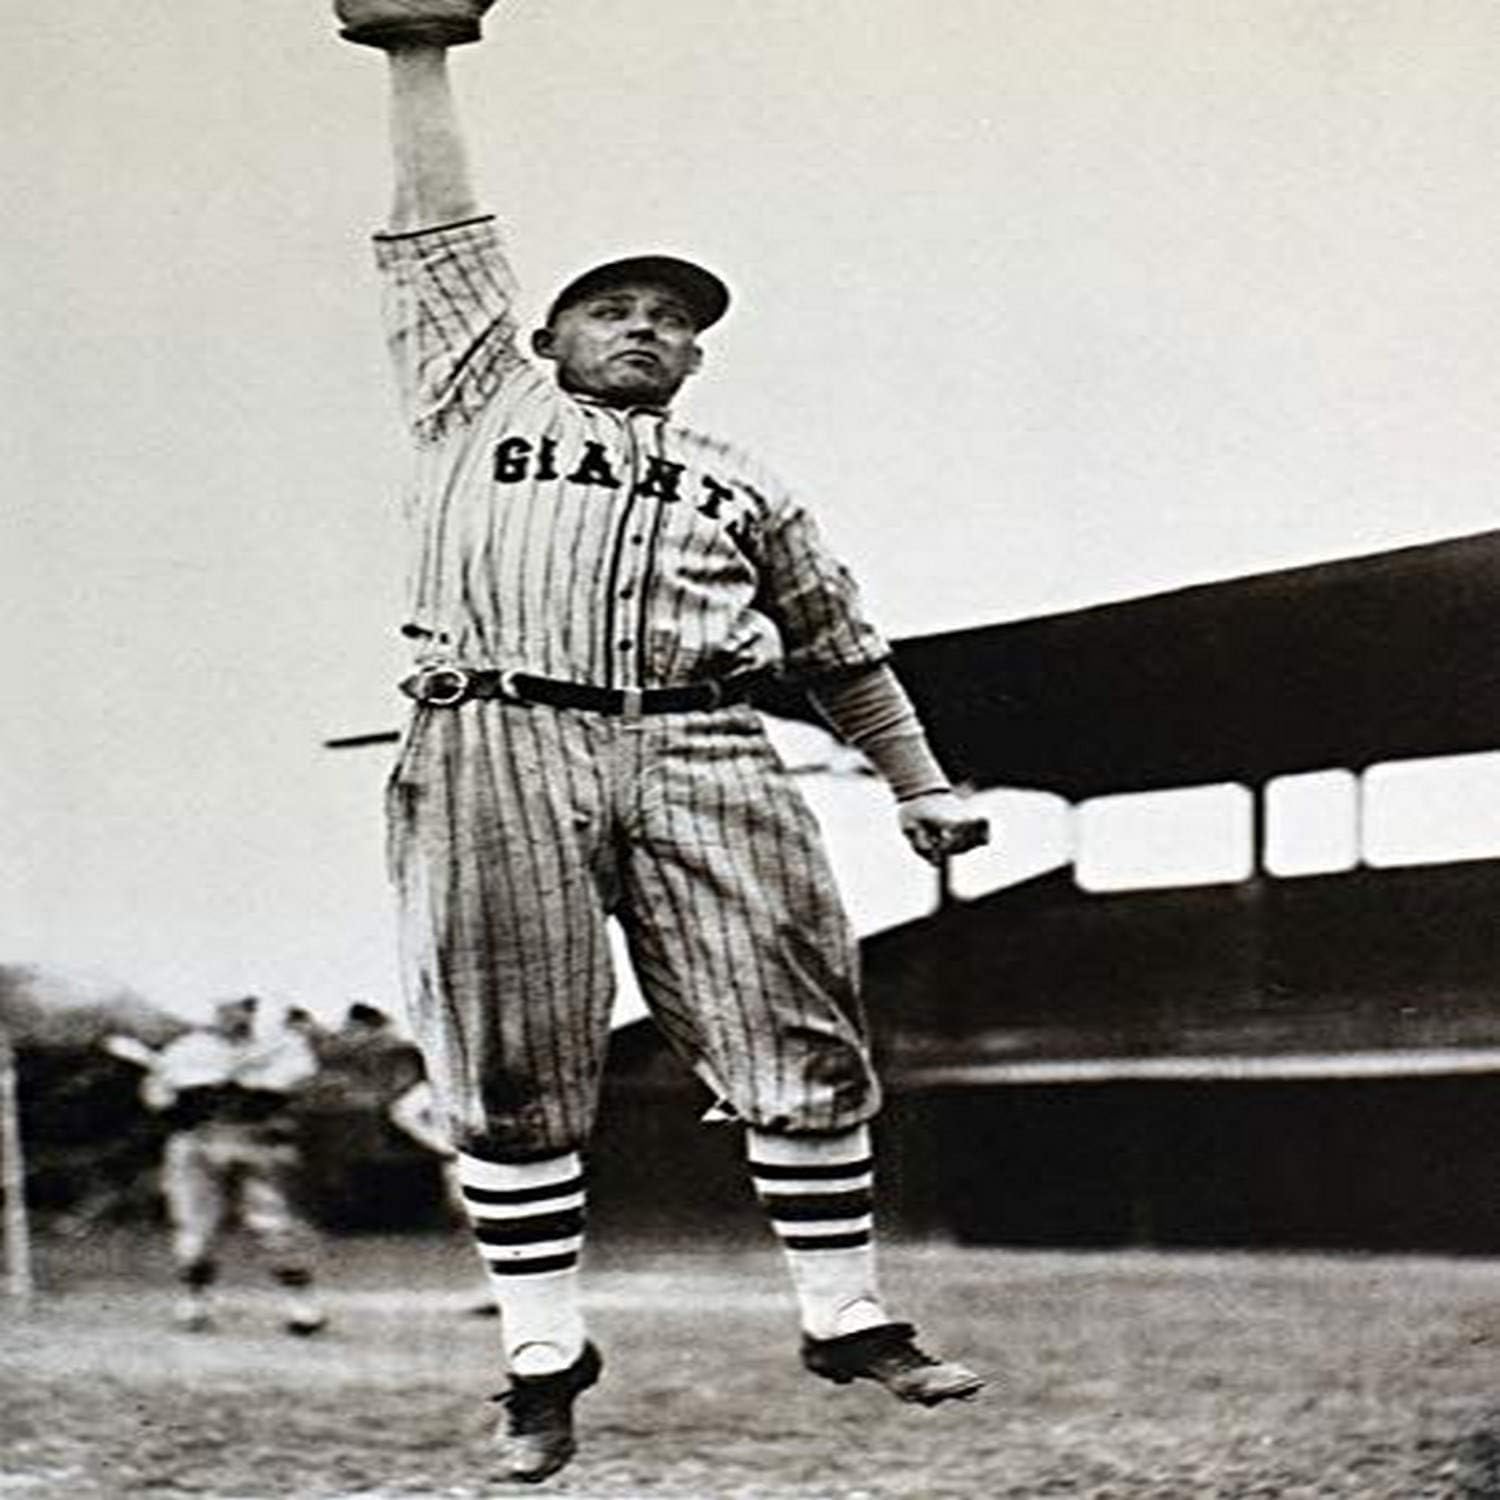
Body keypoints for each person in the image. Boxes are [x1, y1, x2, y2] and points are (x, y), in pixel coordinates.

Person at [334, 0, 991, 1482]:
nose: (648, 326)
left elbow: (841, 646)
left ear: (697, 357)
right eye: (615, 306)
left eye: (675, 317)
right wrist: (418, 55)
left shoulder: (744, 479)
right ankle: (542, 1353)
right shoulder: (474, 399)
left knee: (797, 1020)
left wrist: (919, 784)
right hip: (497, 731)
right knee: (507, 1047)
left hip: (707, 745)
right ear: (547, 334)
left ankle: (845, 1315)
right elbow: (438, 238)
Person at [132, 996, 328, 1335]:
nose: (236, 1015)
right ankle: (195, 1301)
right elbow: (162, 1101)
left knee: (275, 1226)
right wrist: (196, 1090)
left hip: (259, 1143)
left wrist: (239, 1080)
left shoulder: (283, 1045)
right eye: (228, 1007)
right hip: (199, 1143)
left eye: (245, 1007)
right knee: (197, 1228)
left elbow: (285, 1090)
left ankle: (301, 1306)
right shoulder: (187, 1048)